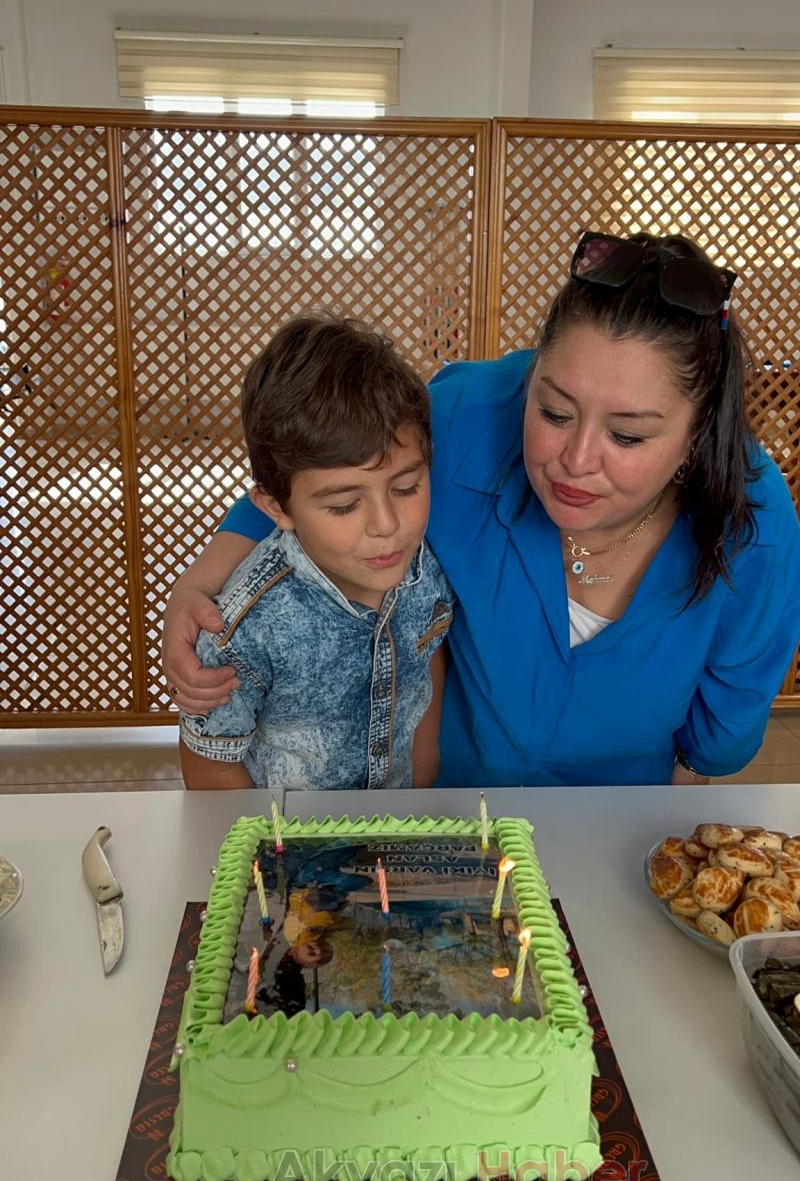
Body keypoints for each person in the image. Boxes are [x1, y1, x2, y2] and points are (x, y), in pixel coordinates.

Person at [164, 231, 800, 787]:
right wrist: (195, 588)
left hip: (618, 820)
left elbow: (715, 742)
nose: (576, 460)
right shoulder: (466, 413)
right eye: (553, 412)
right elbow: (314, 475)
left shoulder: (756, 522)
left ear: (697, 434)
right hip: (446, 809)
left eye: (627, 436)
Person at [177, 314, 453, 790]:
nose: (387, 526)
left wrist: (423, 778)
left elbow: (429, 653)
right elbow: (209, 763)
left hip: (396, 840)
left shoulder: (425, 570)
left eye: (406, 488)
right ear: (275, 507)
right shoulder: (243, 631)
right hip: (287, 850)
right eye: (344, 505)